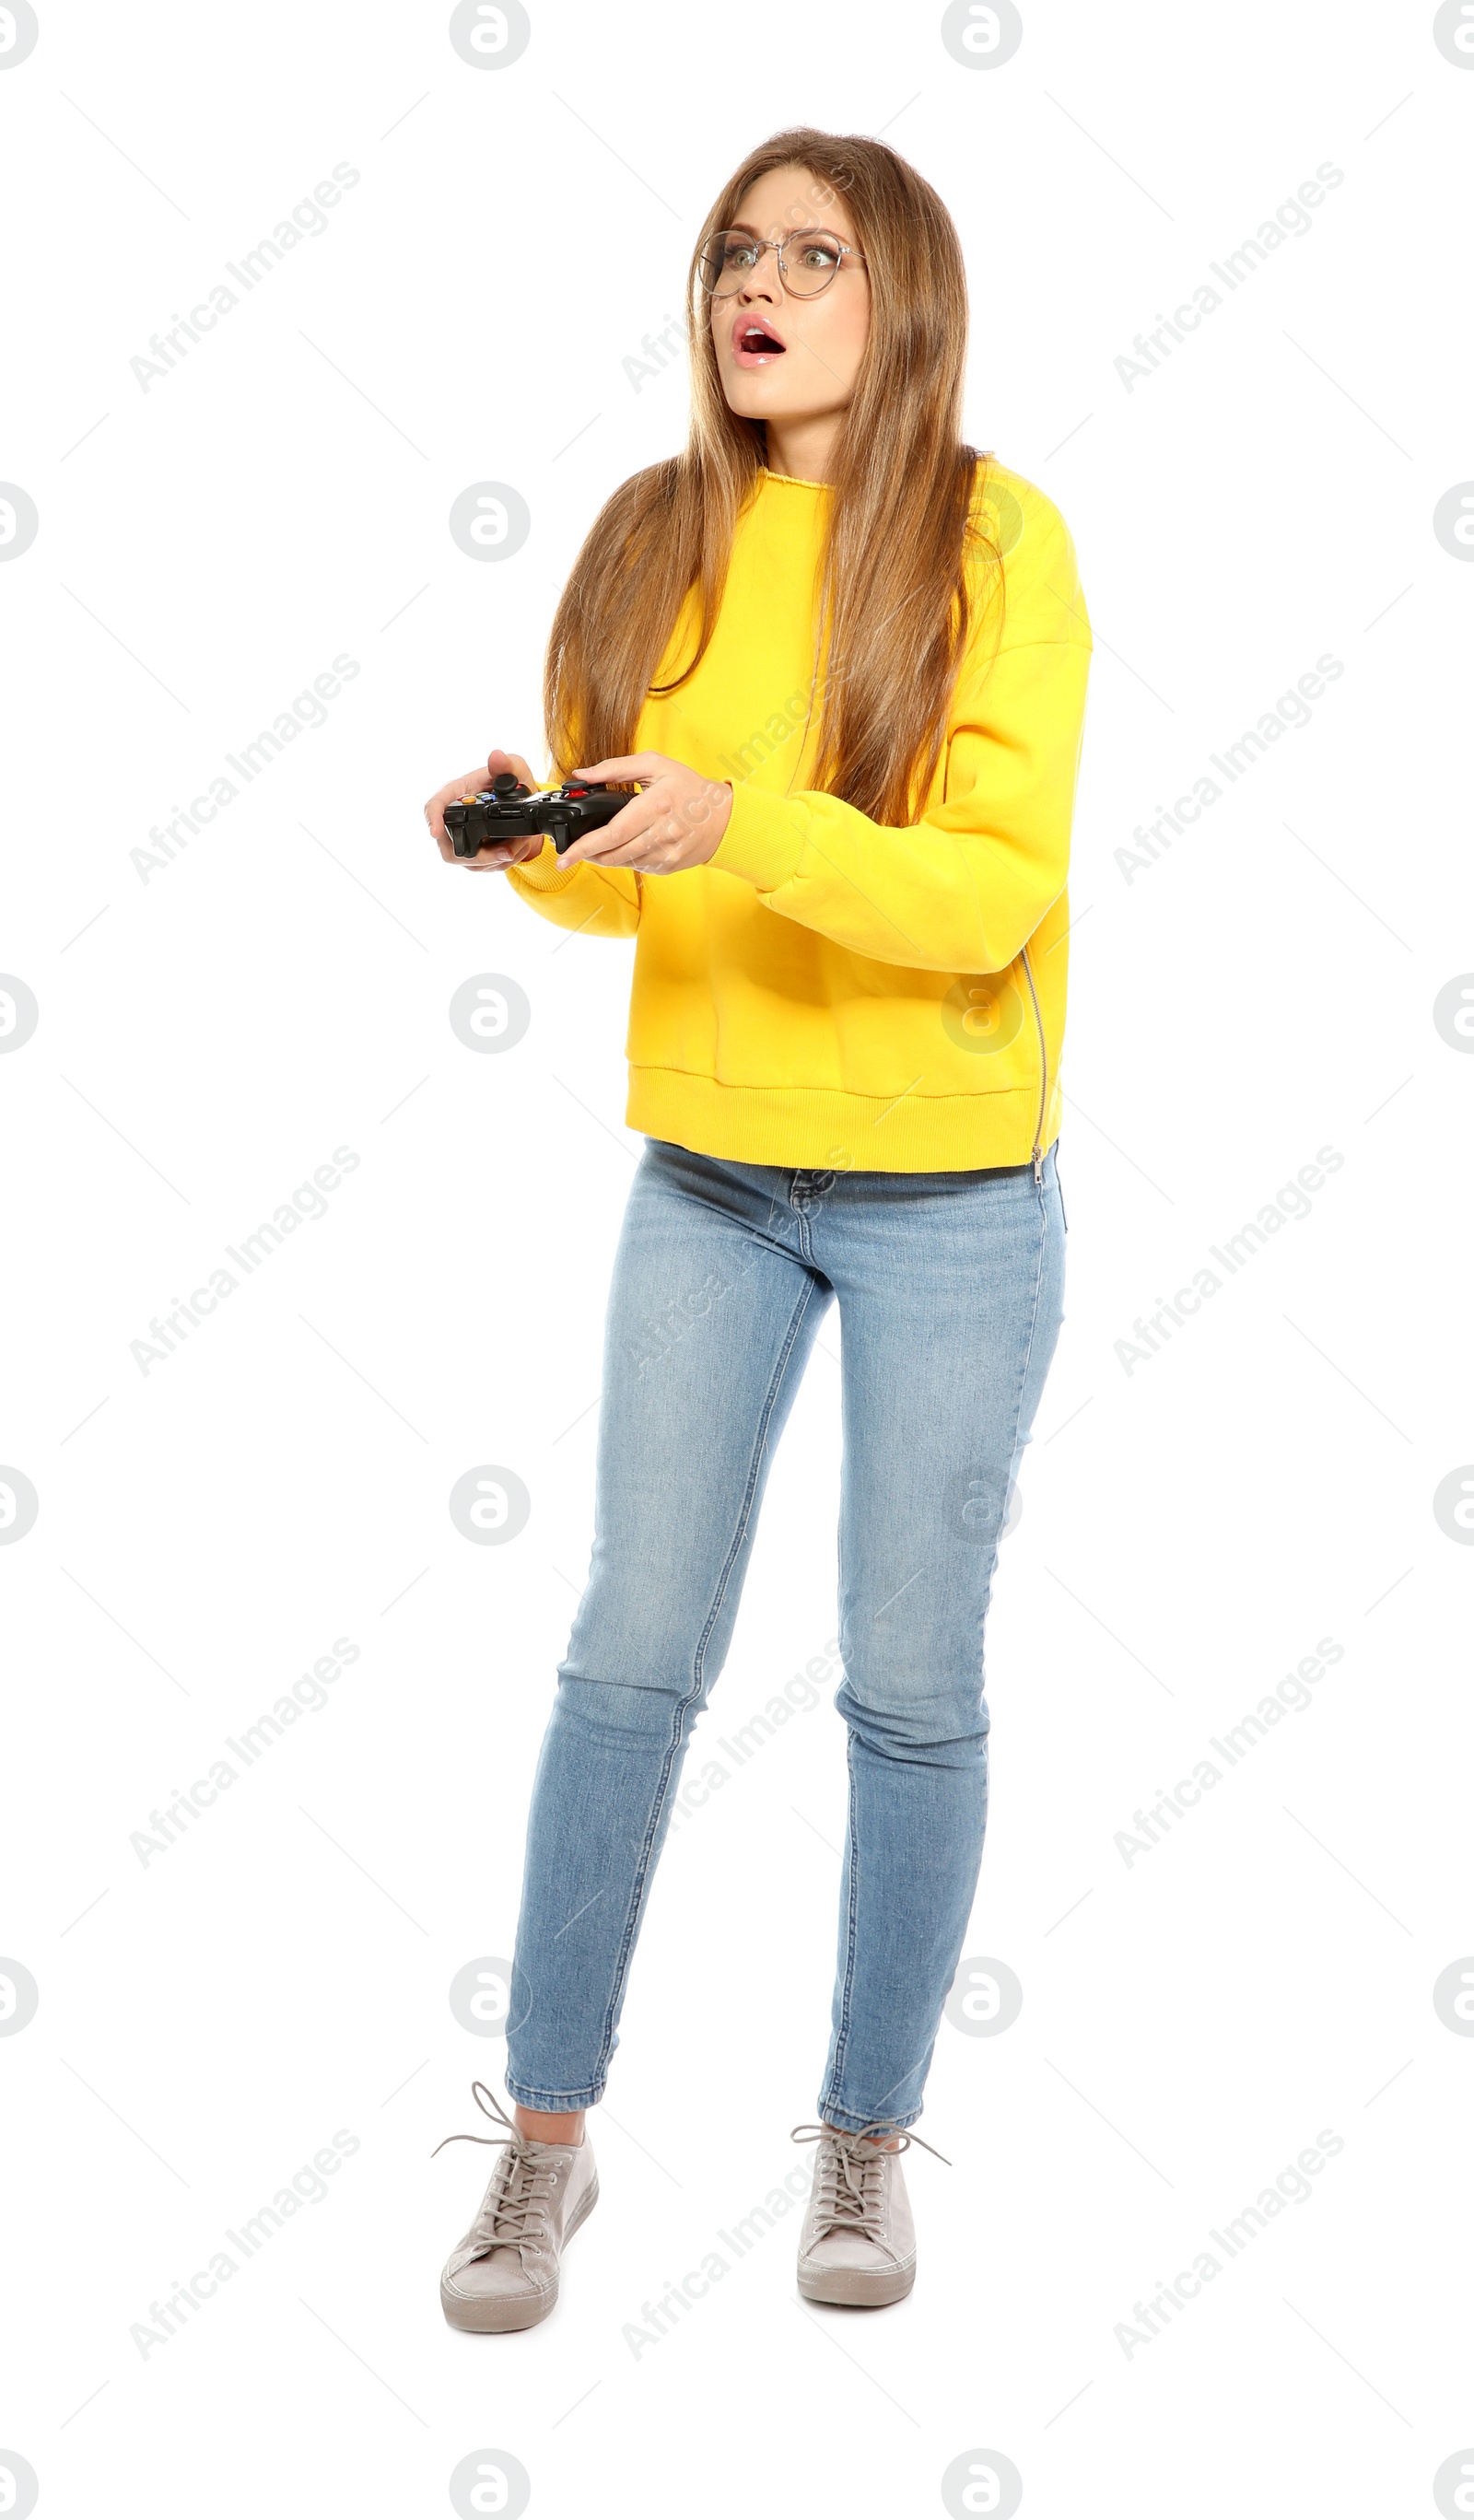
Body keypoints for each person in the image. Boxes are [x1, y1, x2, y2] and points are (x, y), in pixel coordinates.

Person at [423, 124, 1092, 2333]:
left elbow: (985, 890)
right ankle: (542, 2150)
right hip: (705, 1172)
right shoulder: (650, 531)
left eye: (810, 252)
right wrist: (526, 841)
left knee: (906, 1685)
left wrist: (752, 823)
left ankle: (862, 2140)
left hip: (947, 1199)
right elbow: (630, 846)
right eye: (734, 250)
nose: (757, 283)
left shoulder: (994, 536)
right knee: (628, 1656)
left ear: (898, 292)